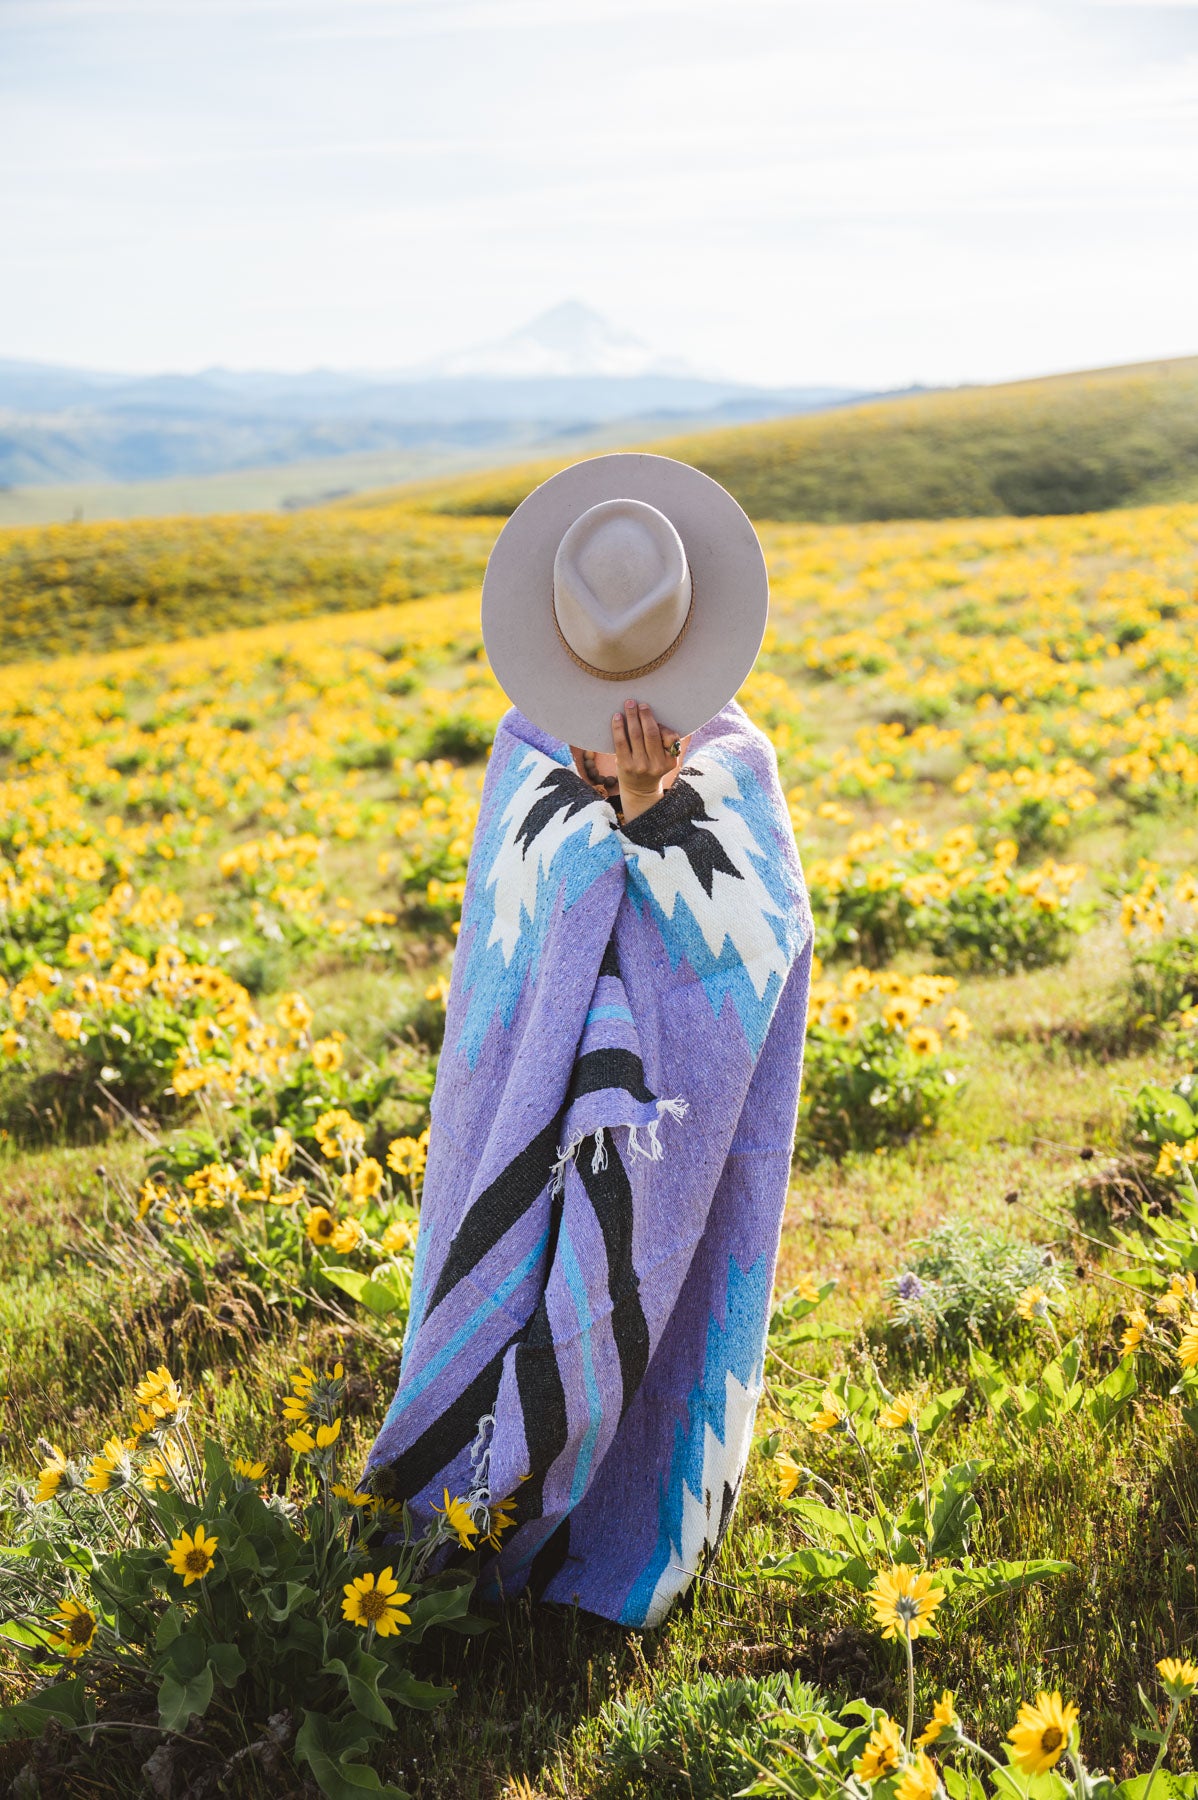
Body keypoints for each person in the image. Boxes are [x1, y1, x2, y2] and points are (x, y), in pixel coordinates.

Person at [363, 452, 813, 1629]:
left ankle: (623, 1486)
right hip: (532, 1095)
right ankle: (480, 1468)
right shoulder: (524, 753)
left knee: (636, 1274)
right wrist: (596, 828)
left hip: (657, 1123)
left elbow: (756, 941)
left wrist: (658, 827)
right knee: (520, 1255)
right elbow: (509, 936)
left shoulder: (738, 770)